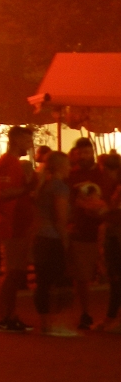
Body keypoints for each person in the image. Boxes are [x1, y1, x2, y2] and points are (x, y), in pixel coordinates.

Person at [67, 137, 114, 330]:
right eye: (81, 153)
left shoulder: (102, 174)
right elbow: (68, 202)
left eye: (87, 152)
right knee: (82, 276)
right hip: (82, 231)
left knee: (113, 274)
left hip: (105, 230)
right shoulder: (71, 176)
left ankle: (112, 313)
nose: (84, 156)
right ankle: (85, 312)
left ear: (92, 153)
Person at [0, 126, 37, 333]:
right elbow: (4, 193)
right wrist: (29, 188)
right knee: (12, 273)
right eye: (28, 141)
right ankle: (5, 316)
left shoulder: (13, 164)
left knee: (16, 273)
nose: (30, 146)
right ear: (17, 140)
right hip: (11, 224)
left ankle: (10, 315)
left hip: (18, 224)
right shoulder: (8, 164)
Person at [33, 151, 77, 336]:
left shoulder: (44, 185)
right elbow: (60, 218)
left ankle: (45, 323)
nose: (70, 168)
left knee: (42, 281)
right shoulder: (60, 187)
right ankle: (57, 321)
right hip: (53, 238)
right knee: (61, 281)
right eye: (67, 164)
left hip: (40, 237)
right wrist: (66, 242)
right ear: (60, 166)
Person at [97, 152, 121, 332]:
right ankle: (111, 317)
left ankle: (113, 318)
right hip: (113, 235)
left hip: (117, 236)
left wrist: (103, 211)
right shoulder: (114, 187)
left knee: (116, 279)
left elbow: (116, 213)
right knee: (114, 279)